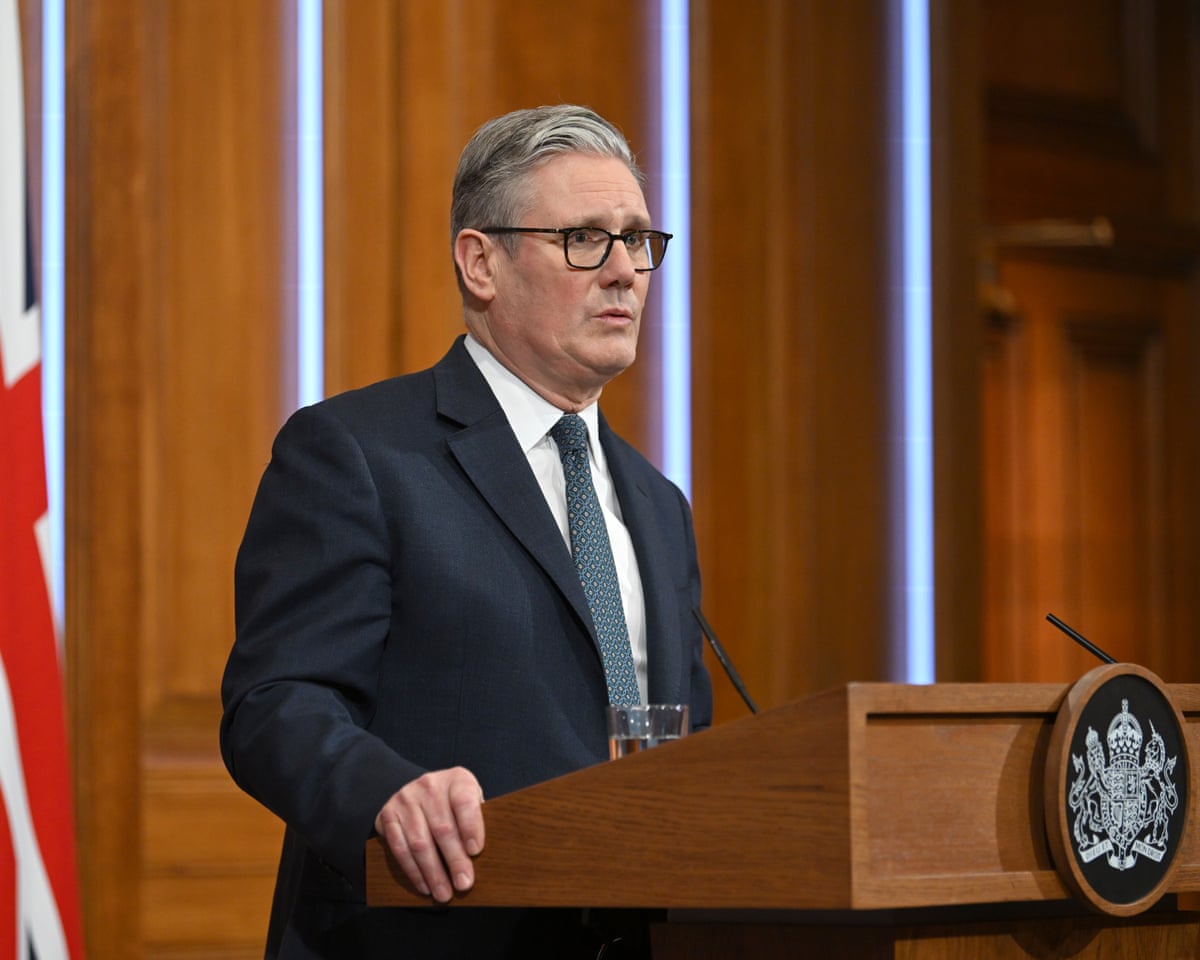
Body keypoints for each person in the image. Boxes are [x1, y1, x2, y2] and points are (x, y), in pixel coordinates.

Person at [220, 104, 713, 959]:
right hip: (433, 932)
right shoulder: (359, 453)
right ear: (481, 261)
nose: (627, 270)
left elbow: (679, 743)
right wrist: (386, 793)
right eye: (585, 239)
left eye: (638, 239)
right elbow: (276, 704)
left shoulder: (657, 502)